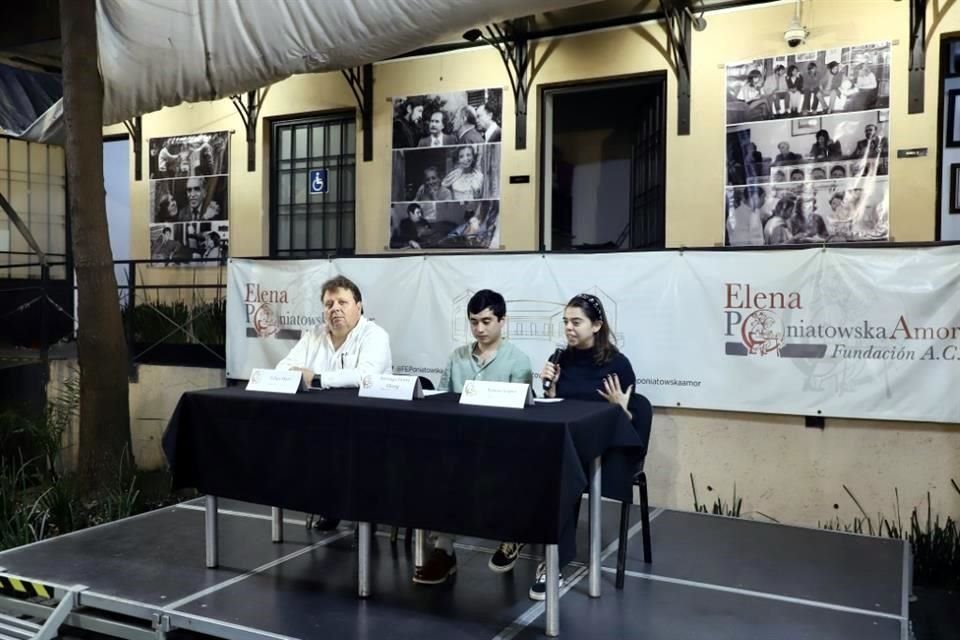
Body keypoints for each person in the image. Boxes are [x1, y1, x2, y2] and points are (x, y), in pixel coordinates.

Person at [413, 290, 533, 585]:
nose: (480, 329)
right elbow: (442, 400)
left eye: (487, 321)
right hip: (459, 444)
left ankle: (510, 535)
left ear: (502, 321)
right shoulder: (457, 358)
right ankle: (444, 549)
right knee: (432, 469)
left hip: (500, 447)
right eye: (474, 322)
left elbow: (522, 417)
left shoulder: (519, 361)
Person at [534, 294, 637, 600]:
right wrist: (550, 387)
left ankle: (554, 563)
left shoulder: (618, 364)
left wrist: (621, 407)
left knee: (562, 470)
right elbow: (557, 408)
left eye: (576, 322)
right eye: (565, 321)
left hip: (605, 450)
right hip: (569, 443)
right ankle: (518, 540)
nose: (569, 328)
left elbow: (628, 422)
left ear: (596, 325)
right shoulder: (561, 359)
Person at [276, 276, 393, 530]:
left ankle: (365, 514)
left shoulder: (375, 335)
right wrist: (303, 374)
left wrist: (316, 378)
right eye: (329, 304)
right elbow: (283, 367)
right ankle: (330, 504)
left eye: (343, 302)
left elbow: (366, 376)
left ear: (359, 306)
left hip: (367, 424)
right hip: (323, 423)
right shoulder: (314, 335)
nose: (335, 309)